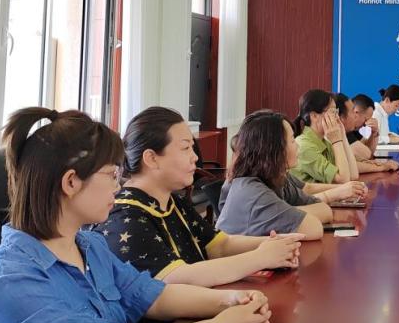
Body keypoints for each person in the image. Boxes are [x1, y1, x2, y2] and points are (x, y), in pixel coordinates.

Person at [0, 108, 273, 323]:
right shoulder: (10, 281)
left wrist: (230, 301)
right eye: (111, 175)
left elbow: (153, 297)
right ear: (71, 182)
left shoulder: (89, 246)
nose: (118, 185)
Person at [96, 106, 301, 285]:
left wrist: (276, 244)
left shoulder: (173, 202)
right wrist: (260, 258)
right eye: (185, 148)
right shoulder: (125, 217)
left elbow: (220, 245)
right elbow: (178, 277)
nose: (195, 157)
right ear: (151, 158)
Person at [217, 110, 369, 239]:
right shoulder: (252, 192)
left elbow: (324, 209)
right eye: (291, 141)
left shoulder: (276, 177)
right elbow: (313, 228)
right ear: (273, 149)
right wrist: (288, 211)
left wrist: (286, 210)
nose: (297, 146)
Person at [291, 89, 398, 183]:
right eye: (333, 111)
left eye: (336, 111)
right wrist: (337, 140)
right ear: (314, 116)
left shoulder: (324, 142)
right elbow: (343, 179)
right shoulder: (305, 146)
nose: (336, 116)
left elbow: (353, 174)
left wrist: (341, 134)